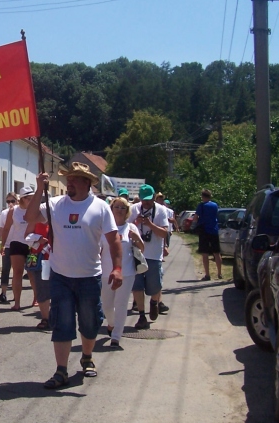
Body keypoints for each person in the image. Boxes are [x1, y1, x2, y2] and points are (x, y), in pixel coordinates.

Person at [25, 163, 122, 390]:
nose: (70, 182)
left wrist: (117, 268)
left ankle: (86, 357)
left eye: (75, 178)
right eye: (68, 178)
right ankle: (61, 371)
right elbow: (30, 217)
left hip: (89, 276)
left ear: (87, 183)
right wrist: (40, 188)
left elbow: (113, 239)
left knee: (89, 322)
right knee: (62, 322)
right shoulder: (56, 204)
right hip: (61, 275)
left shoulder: (100, 207)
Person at [101, 197, 143, 348]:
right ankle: (111, 324)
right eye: (116, 207)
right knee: (106, 305)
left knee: (121, 304)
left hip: (127, 272)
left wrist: (136, 238)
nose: (119, 210)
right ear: (111, 209)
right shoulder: (104, 228)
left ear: (127, 212)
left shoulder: (130, 228)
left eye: (122, 208)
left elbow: (141, 249)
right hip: (106, 271)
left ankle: (116, 337)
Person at [129, 184, 170, 329]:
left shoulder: (161, 211)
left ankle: (154, 302)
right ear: (139, 198)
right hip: (136, 254)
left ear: (153, 198)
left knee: (154, 285)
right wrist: (136, 222)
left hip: (154, 255)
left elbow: (164, 233)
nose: (146, 203)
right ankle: (141, 316)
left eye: (149, 200)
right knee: (137, 286)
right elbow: (124, 228)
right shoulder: (134, 209)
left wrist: (150, 224)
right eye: (143, 200)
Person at [1, 187, 39, 311]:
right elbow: (6, 228)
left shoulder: (36, 210)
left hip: (31, 244)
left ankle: (36, 298)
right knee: (17, 272)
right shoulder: (14, 211)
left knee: (32, 272)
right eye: (29, 198)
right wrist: (3, 244)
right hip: (17, 243)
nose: (32, 200)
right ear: (22, 199)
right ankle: (17, 302)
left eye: (33, 198)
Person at [194, 189, 222, 281]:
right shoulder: (215, 205)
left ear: (203, 196)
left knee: (205, 253)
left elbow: (195, 218)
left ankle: (207, 274)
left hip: (204, 231)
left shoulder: (201, 206)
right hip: (214, 230)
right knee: (216, 253)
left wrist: (196, 223)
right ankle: (219, 273)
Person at [0, 193, 18, 303]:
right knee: (5, 269)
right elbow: (1, 229)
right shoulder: (4, 213)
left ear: (17, 201)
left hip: (19, 244)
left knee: (18, 271)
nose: (10, 204)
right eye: (8, 201)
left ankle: (16, 295)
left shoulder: (21, 211)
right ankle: (3, 293)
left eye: (12, 201)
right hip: (8, 245)